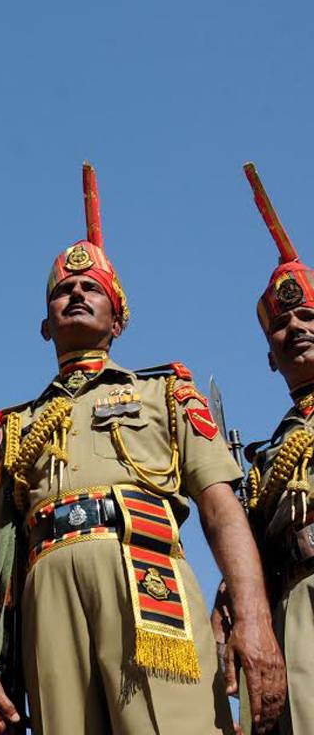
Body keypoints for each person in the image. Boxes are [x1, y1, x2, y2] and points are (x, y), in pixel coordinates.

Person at [0, 164, 284, 735]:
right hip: (49, 604)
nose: (75, 294)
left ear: (118, 318)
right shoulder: (17, 426)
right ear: (45, 324)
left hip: (146, 581)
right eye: (63, 290)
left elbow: (220, 508)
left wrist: (254, 619)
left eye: (91, 288)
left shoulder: (165, 392)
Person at [231, 163, 314, 734]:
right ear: (269, 355)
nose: (297, 329)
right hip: (295, 604)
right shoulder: (266, 458)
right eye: (282, 325)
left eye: (309, 315)